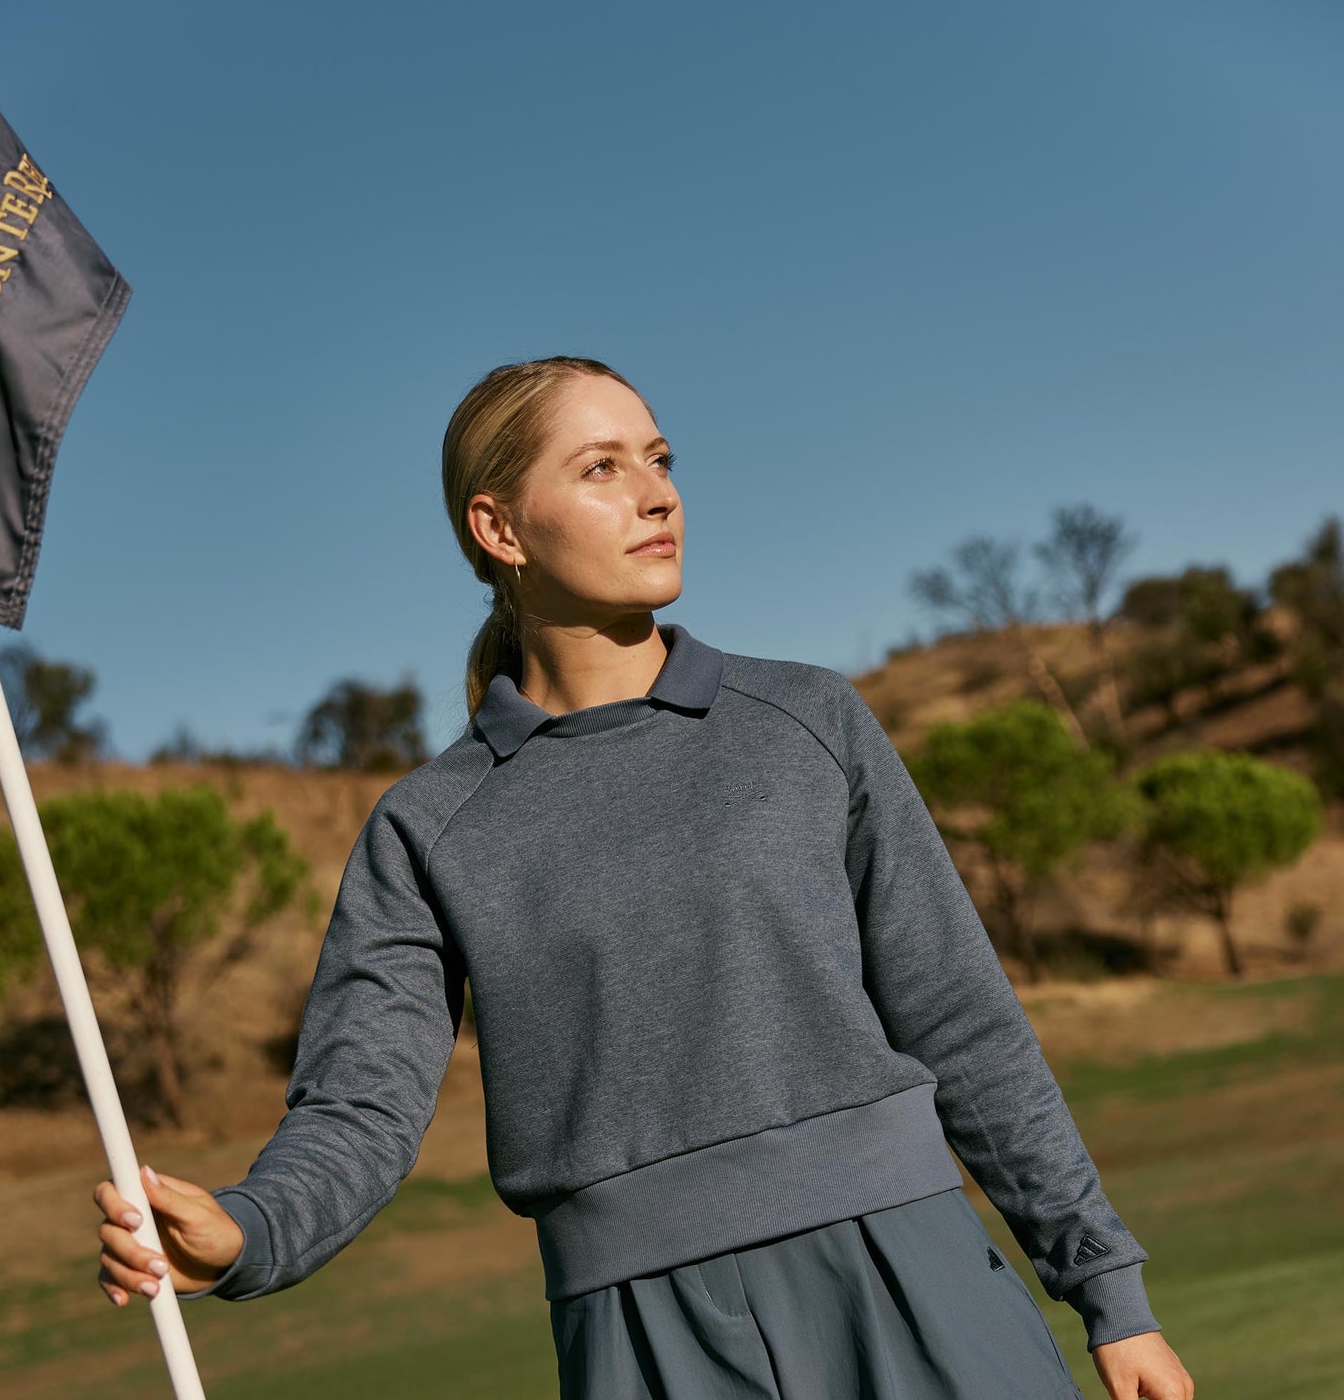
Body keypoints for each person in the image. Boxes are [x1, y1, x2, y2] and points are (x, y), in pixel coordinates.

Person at [94, 357, 1196, 1399]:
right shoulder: (426, 827)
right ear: (498, 526)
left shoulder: (807, 718)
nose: (654, 494)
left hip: (913, 1276)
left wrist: (1105, 1286)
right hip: (641, 1333)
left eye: (658, 458)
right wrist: (249, 1228)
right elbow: (361, 1101)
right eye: (601, 467)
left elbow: (959, 1016)